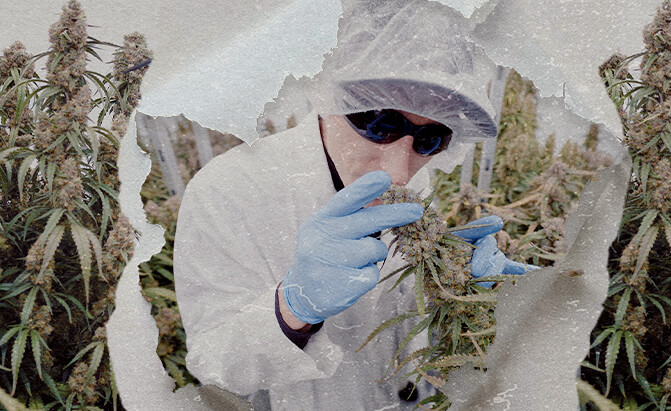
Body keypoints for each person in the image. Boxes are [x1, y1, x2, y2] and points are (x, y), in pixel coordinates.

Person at [174, 1, 535, 409]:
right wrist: (291, 311)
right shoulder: (227, 190)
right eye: (380, 123)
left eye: (431, 138)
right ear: (331, 96)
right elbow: (215, 365)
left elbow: (405, 324)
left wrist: (455, 295)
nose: (399, 171)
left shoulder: (415, 176)